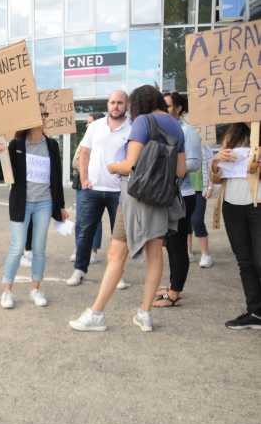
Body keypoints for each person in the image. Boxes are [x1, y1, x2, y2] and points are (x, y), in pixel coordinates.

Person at [69, 85, 186, 332]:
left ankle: (97, 313)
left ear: (139, 103)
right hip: (162, 199)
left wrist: (113, 167)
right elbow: (181, 171)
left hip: (136, 198)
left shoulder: (144, 121)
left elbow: (130, 165)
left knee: (116, 254)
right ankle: (145, 314)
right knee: (155, 256)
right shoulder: (176, 126)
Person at [0, 126, 69, 309]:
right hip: (22, 203)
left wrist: (60, 206)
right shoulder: (16, 144)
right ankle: (6, 291)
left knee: (39, 247)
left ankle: (35, 289)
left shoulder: (51, 144)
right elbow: (5, 175)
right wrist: (0, 155)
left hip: (45, 203)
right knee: (17, 246)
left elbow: (56, 176)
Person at [67, 91, 131, 289]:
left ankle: (117, 275)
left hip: (119, 191)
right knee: (85, 231)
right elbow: (84, 153)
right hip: (92, 189)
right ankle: (79, 270)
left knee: (119, 236)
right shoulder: (95, 126)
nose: (115, 106)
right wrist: (84, 178)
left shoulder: (133, 128)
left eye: (120, 103)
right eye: (112, 102)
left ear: (126, 105)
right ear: (108, 104)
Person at [211, 123, 261, 330]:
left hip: (257, 205)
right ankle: (256, 312)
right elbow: (216, 177)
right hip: (232, 206)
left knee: (260, 260)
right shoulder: (232, 133)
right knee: (245, 261)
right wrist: (216, 161)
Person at [154, 92, 202, 307]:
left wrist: (167, 168)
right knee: (171, 244)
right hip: (167, 196)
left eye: (168, 105)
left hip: (183, 196)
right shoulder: (163, 131)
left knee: (178, 244)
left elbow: (193, 162)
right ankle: (174, 284)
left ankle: (174, 293)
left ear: (180, 108)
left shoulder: (187, 131)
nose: (164, 109)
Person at [70, 112, 105, 265]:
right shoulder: (86, 138)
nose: (86, 125)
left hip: (93, 182)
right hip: (80, 182)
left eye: (89, 122)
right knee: (80, 218)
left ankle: (93, 251)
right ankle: (79, 248)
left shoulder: (101, 141)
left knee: (94, 219)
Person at [188, 139, 214, 268]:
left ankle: (206, 254)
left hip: (200, 189)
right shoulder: (180, 142)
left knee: (197, 220)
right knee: (184, 221)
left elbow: (211, 166)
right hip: (183, 189)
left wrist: (210, 186)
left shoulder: (204, 147)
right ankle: (188, 251)